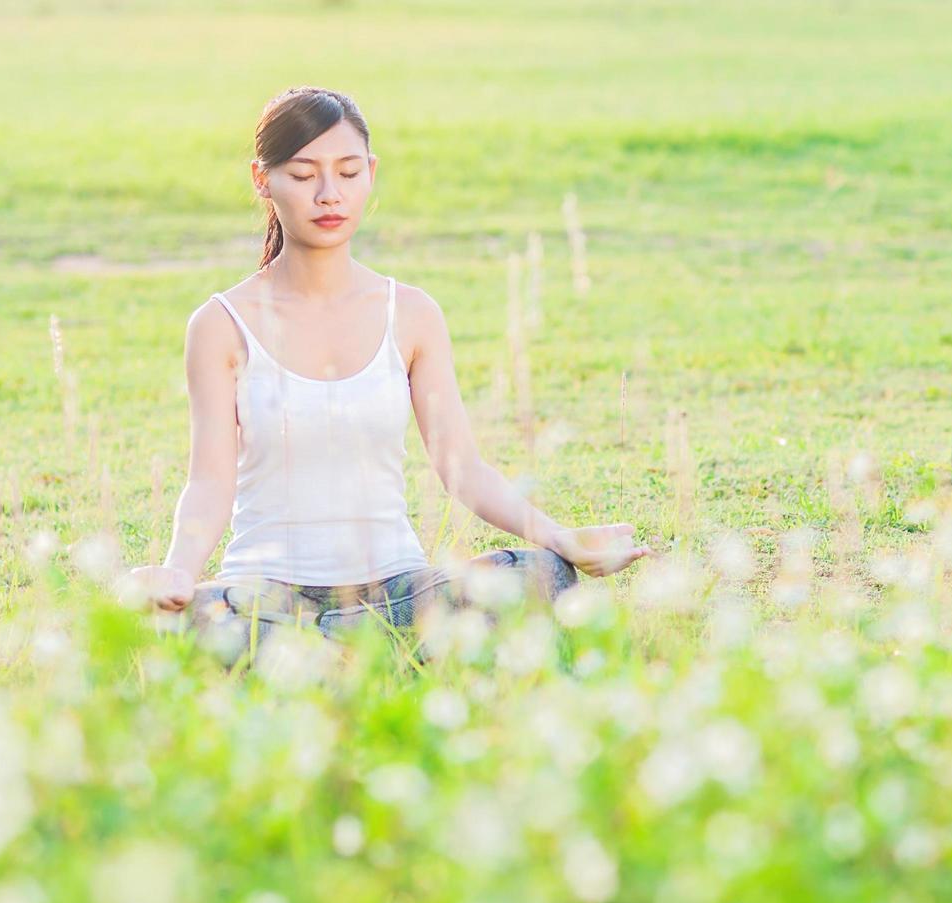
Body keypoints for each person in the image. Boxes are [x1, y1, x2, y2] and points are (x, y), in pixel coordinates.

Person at [123, 86, 652, 662]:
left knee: (540, 574)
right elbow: (209, 483)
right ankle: (368, 662)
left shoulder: (413, 314)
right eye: (303, 176)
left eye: (348, 173)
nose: (329, 195)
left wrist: (560, 538)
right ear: (261, 179)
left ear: (370, 173)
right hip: (267, 600)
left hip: (397, 593)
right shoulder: (221, 325)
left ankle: (332, 663)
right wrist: (178, 572)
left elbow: (464, 469)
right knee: (195, 621)